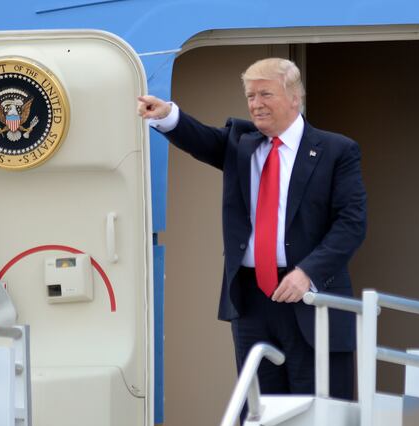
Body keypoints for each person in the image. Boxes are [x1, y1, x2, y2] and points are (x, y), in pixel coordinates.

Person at [138, 58, 366, 399]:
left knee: (317, 412)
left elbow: (352, 223)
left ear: (294, 97)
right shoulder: (242, 143)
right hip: (251, 300)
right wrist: (166, 114)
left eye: (265, 94)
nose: (256, 104)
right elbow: (201, 139)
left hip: (310, 296)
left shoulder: (337, 150)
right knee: (260, 413)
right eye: (250, 96)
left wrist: (308, 272)